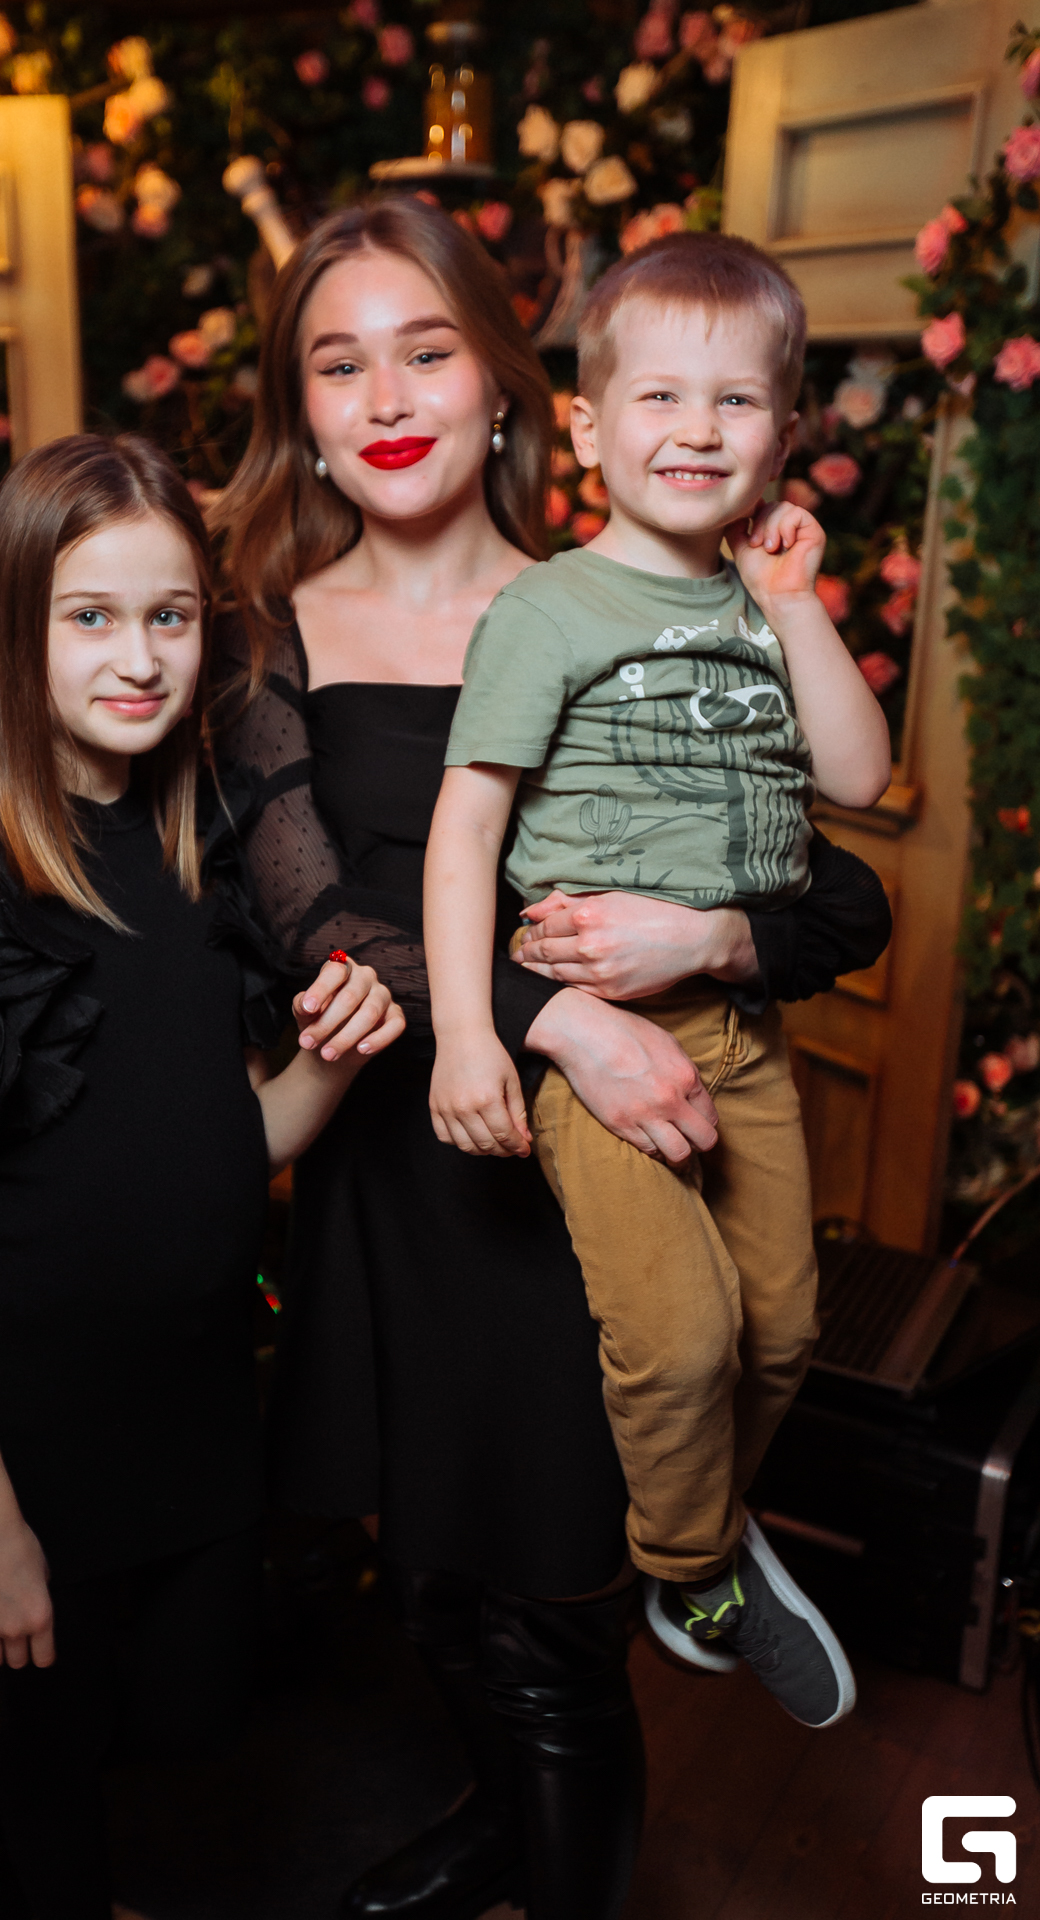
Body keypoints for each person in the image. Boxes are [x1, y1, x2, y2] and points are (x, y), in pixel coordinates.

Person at [210, 199, 891, 1919]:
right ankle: (497, 1827)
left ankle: (573, 1862)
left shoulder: (640, 593)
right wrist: (557, 1013)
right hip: (408, 1157)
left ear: (512, 388)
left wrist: (704, 941)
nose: (386, 397)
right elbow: (310, 913)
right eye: (338, 364)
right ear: (300, 411)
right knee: (435, 1576)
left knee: (561, 1605)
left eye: (426, 351)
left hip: (581, 1173)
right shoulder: (262, 639)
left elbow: (845, 890)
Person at [0, 434, 405, 1920]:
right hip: (33, 1441)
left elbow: (238, 1140)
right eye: (91, 616)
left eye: (169, 616)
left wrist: (338, 1058)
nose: (139, 657)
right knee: (56, 1783)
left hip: (199, 1411)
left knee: (189, 1718)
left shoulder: (204, 855)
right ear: (17, 627)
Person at [425, 232, 888, 1734]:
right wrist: (467, 1039)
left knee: (786, 1328)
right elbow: (464, 831)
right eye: (662, 398)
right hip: (602, 1042)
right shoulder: (549, 610)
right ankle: (693, 1570)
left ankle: (709, 1522)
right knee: (682, 1338)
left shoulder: (766, 610)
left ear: (784, 432)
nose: (698, 429)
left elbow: (863, 781)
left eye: (737, 401)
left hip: (746, 1032)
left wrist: (800, 604)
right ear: (585, 427)